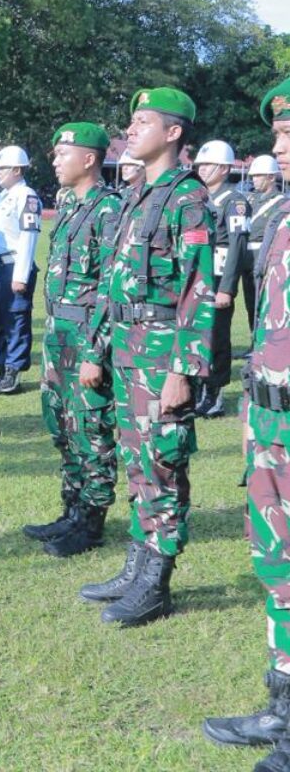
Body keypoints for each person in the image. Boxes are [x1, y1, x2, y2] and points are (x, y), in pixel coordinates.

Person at [79, 87, 214, 627]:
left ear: (173, 133)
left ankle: (156, 583)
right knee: (137, 465)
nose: (130, 131)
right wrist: (99, 349)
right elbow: (115, 285)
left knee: (161, 463)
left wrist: (183, 370)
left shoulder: (188, 199)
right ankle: (136, 567)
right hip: (128, 349)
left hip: (162, 356)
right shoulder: (138, 195)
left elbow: (198, 290)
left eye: (142, 122)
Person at [202, 81, 290, 769]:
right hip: (272, 419)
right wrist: (252, 414)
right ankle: (283, 708)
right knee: (278, 567)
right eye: (279, 134)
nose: (278, 147)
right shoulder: (283, 218)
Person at [24, 123, 121, 559]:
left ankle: (92, 522)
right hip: (58, 332)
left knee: (89, 427)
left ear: (89, 159)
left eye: (64, 153)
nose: (55, 160)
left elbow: (109, 288)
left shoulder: (108, 209)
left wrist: (95, 352)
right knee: (61, 422)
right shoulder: (68, 206)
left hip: (85, 333)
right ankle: (71, 509)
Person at [192, 140, 251, 418]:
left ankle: (214, 394)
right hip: (197, 278)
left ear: (225, 168)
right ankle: (198, 389)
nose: (202, 169)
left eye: (209, 164)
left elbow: (238, 246)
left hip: (218, 277)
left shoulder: (234, 201)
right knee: (196, 335)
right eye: (200, 164)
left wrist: (227, 288)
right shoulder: (198, 197)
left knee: (217, 337)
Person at [0, 146, 41, 395]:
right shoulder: (3, 196)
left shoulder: (27, 196)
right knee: (1, 321)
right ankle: (2, 369)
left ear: (17, 169)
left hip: (13, 266)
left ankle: (13, 373)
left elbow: (28, 236)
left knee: (16, 319)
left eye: (3, 168)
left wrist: (20, 275)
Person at [242, 154, 284, 332]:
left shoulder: (281, 202)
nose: (254, 179)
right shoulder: (250, 199)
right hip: (246, 258)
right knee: (250, 303)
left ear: (271, 177)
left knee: (265, 302)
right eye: (253, 176)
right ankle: (253, 342)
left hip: (265, 257)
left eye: (258, 175)